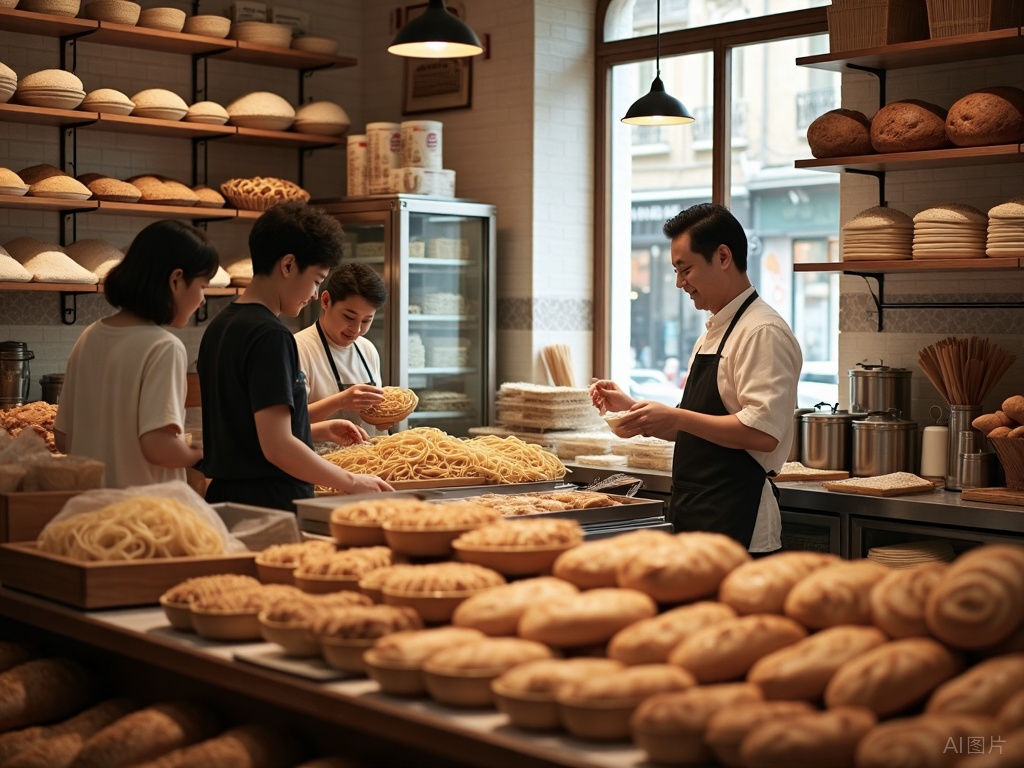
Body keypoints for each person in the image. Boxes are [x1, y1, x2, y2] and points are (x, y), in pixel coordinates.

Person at [590, 203, 801, 553]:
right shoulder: (713, 331)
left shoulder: (763, 330)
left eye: (684, 269)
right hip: (698, 513)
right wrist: (635, 410)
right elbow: (698, 427)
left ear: (722, 256)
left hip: (741, 523)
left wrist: (675, 416)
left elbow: (763, 433)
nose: (679, 283)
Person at [198, 203, 393, 512]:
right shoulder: (271, 336)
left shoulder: (221, 326)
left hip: (228, 499)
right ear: (288, 265)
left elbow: (248, 434)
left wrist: (318, 430)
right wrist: (353, 481)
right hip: (269, 503)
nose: (315, 294)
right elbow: (278, 448)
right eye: (316, 280)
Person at [54, 220, 216, 488]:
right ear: (176, 280)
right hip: (143, 514)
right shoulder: (164, 346)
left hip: (87, 508)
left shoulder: (89, 336)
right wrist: (203, 454)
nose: (202, 299)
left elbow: (62, 438)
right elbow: (159, 448)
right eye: (202, 286)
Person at [294, 263, 394, 435]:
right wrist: (340, 401)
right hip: (321, 459)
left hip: (371, 458)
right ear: (326, 301)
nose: (356, 330)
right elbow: (289, 422)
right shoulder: (299, 349)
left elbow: (376, 420)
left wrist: (384, 419)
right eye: (349, 317)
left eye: (366, 321)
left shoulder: (367, 349)